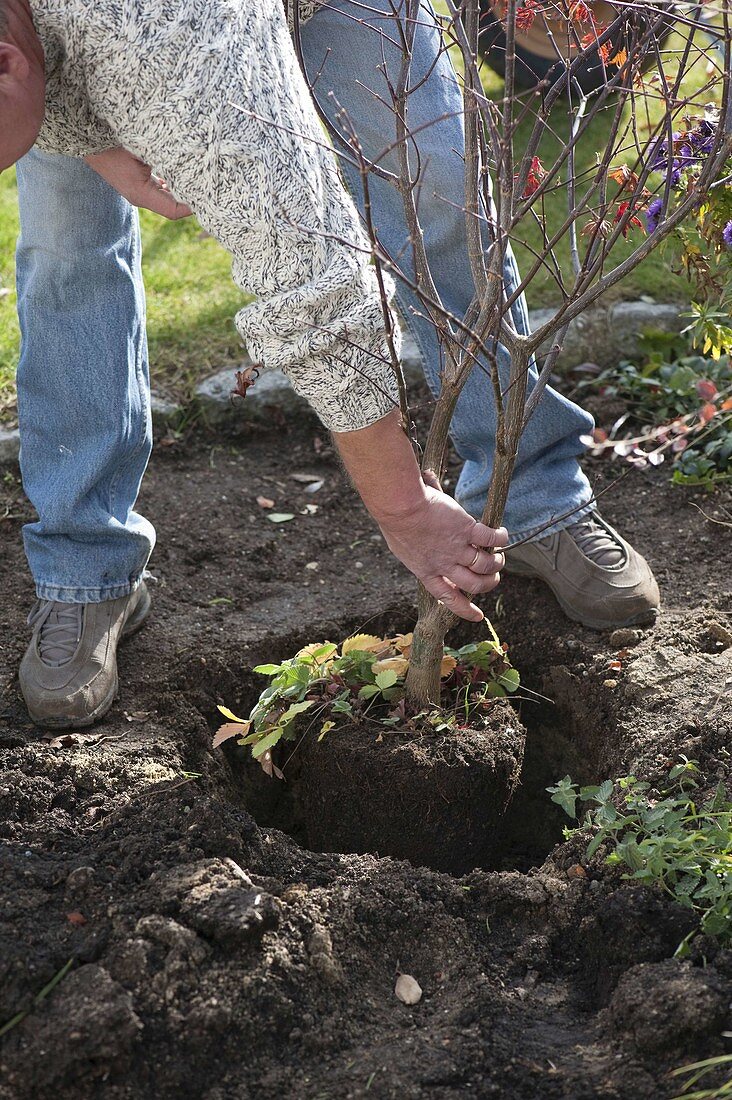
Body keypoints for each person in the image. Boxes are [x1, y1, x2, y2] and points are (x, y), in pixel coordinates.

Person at [0, 0, 659, 729]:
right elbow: (64, 64)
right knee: (67, 253)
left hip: (173, 25)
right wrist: (93, 135)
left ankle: (534, 498)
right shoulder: (46, 50)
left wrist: (403, 507)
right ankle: (85, 569)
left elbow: (312, 276)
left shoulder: (166, 41)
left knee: (432, 172)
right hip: (84, 30)